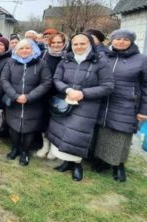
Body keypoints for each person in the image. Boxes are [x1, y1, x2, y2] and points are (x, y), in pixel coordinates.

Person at [94, 29, 147, 182]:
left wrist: (146, 110)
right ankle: (102, 161)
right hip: (103, 101)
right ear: (112, 40)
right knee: (102, 132)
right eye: (117, 39)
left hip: (126, 104)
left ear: (131, 41)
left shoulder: (142, 60)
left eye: (125, 39)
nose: (121, 41)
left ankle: (119, 165)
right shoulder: (103, 57)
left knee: (121, 135)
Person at [47, 33, 114, 181]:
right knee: (63, 131)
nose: (78, 47)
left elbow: (108, 86)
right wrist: (68, 90)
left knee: (78, 135)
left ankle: (77, 165)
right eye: (76, 44)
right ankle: (66, 162)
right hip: (66, 100)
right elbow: (56, 79)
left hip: (87, 105)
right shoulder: (66, 59)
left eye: (82, 44)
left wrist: (83, 93)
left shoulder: (100, 61)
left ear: (90, 44)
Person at [0, 39, 52, 165]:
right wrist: (15, 96)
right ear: (17, 50)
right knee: (14, 127)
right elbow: (4, 80)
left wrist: (29, 96)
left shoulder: (41, 63)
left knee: (30, 129)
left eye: (27, 48)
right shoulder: (10, 62)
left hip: (33, 103)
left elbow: (47, 82)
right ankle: (15, 148)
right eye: (21, 48)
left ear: (32, 49)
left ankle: (25, 152)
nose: (24, 51)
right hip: (14, 102)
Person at [36, 32, 67, 159]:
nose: (56, 45)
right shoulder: (43, 55)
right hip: (44, 93)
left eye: (59, 42)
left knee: (57, 121)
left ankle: (54, 148)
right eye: (53, 42)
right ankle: (45, 145)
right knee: (44, 119)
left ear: (64, 44)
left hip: (61, 94)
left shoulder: (68, 57)